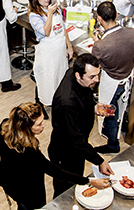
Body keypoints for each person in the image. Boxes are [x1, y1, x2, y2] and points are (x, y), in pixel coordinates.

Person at [0, 103, 109, 210]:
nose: (44, 125)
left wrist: (35, 143)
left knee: (24, 206)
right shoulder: (28, 152)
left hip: (7, 176)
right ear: (25, 127)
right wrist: (88, 181)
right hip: (24, 186)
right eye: (39, 124)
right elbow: (57, 172)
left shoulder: (5, 125)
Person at [48, 54, 115, 198]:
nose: (96, 80)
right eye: (92, 77)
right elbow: (76, 140)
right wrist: (99, 161)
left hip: (77, 147)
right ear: (78, 75)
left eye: (98, 75)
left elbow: (84, 97)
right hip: (65, 152)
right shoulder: (67, 102)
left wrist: (94, 107)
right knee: (65, 189)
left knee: (75, 181)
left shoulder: (74, 74)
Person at [92, 1, 134, 154]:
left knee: (110, 114)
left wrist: (97, 42)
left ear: (99, 19)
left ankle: (113, 144)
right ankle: (118, 130)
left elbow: (94, 67)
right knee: (121, 107)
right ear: (117, 15)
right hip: (127, 78)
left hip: (111, 83)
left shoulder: (101, 46)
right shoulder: (132, 33)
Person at [28, 0, 73, 114]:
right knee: (46, 79)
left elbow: (63, 28)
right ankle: (41, 103)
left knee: (60, 77)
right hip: (48, 53)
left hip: (59, 52)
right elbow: (46, 32)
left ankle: (59, 102)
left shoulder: (54, 9)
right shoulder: (34, 16)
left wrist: (69, 47)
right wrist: (50, 14)